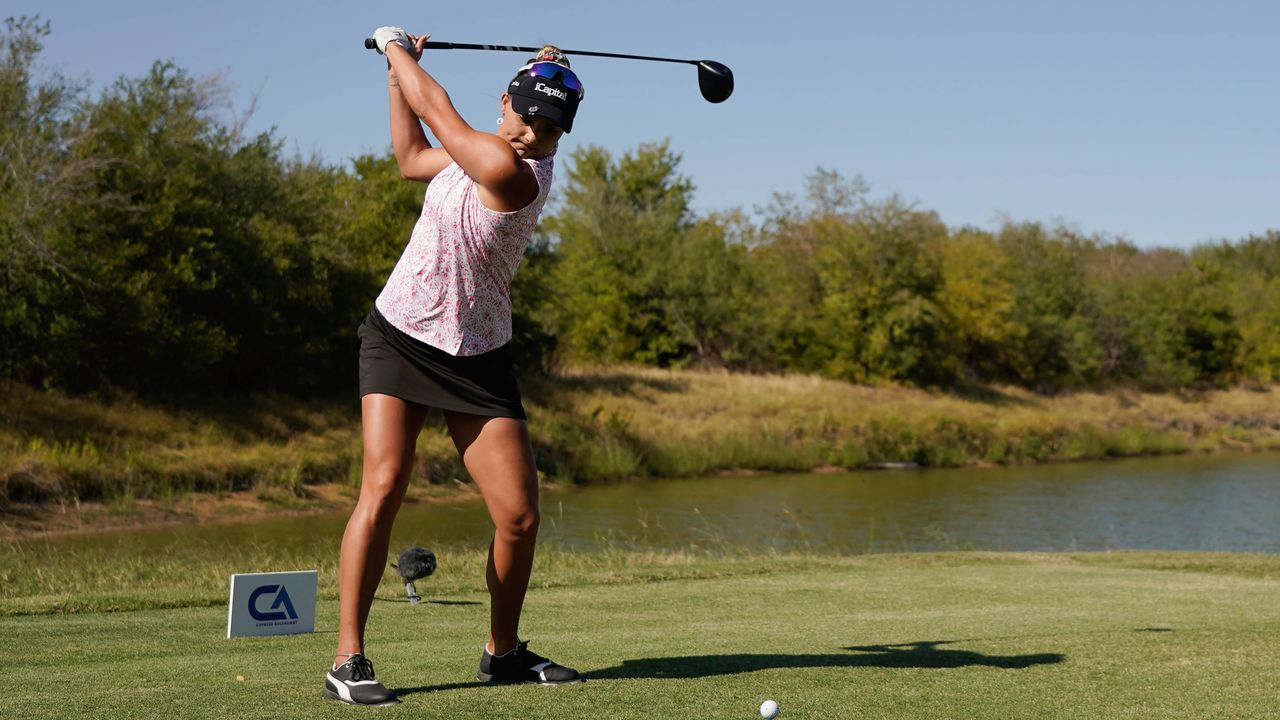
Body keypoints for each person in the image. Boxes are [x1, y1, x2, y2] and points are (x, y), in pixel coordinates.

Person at [323, 26, 585, 707]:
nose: (533, 135)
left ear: (562, 136)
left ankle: (502, 653)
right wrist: (395, 77)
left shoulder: (509, 171)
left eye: (550, 129)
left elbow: (437, 111)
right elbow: (413, 156)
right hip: (402, 332)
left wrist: (394, 49)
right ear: (507, 103)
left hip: (478, 352)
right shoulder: (483, 153)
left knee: (519, 516)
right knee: (382, 487)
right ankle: (348, 658)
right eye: (526, 118)